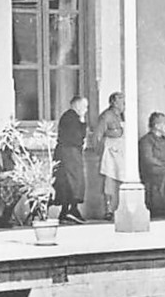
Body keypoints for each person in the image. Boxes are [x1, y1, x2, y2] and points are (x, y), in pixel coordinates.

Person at [54, 95, 89, 224]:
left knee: (72, 182)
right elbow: (78, 137)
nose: (86, 110)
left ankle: (68, 211)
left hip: (70, 153)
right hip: (69, 154)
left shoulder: (71, 117)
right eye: (84, 107)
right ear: (77, 106)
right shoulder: (71, 118)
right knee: (72, 181)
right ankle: (70, 210)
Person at [92, 92, 127, 221]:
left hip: (123, 152)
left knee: (124, 180)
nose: (124, 105)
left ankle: (123, 207)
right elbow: (97, 135)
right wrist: (99, 152)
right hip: (110, 153)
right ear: (113, 102)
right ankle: (109, 210)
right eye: (121, 102)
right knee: (110, 181)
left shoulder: (123, 116)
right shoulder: (106, 116)